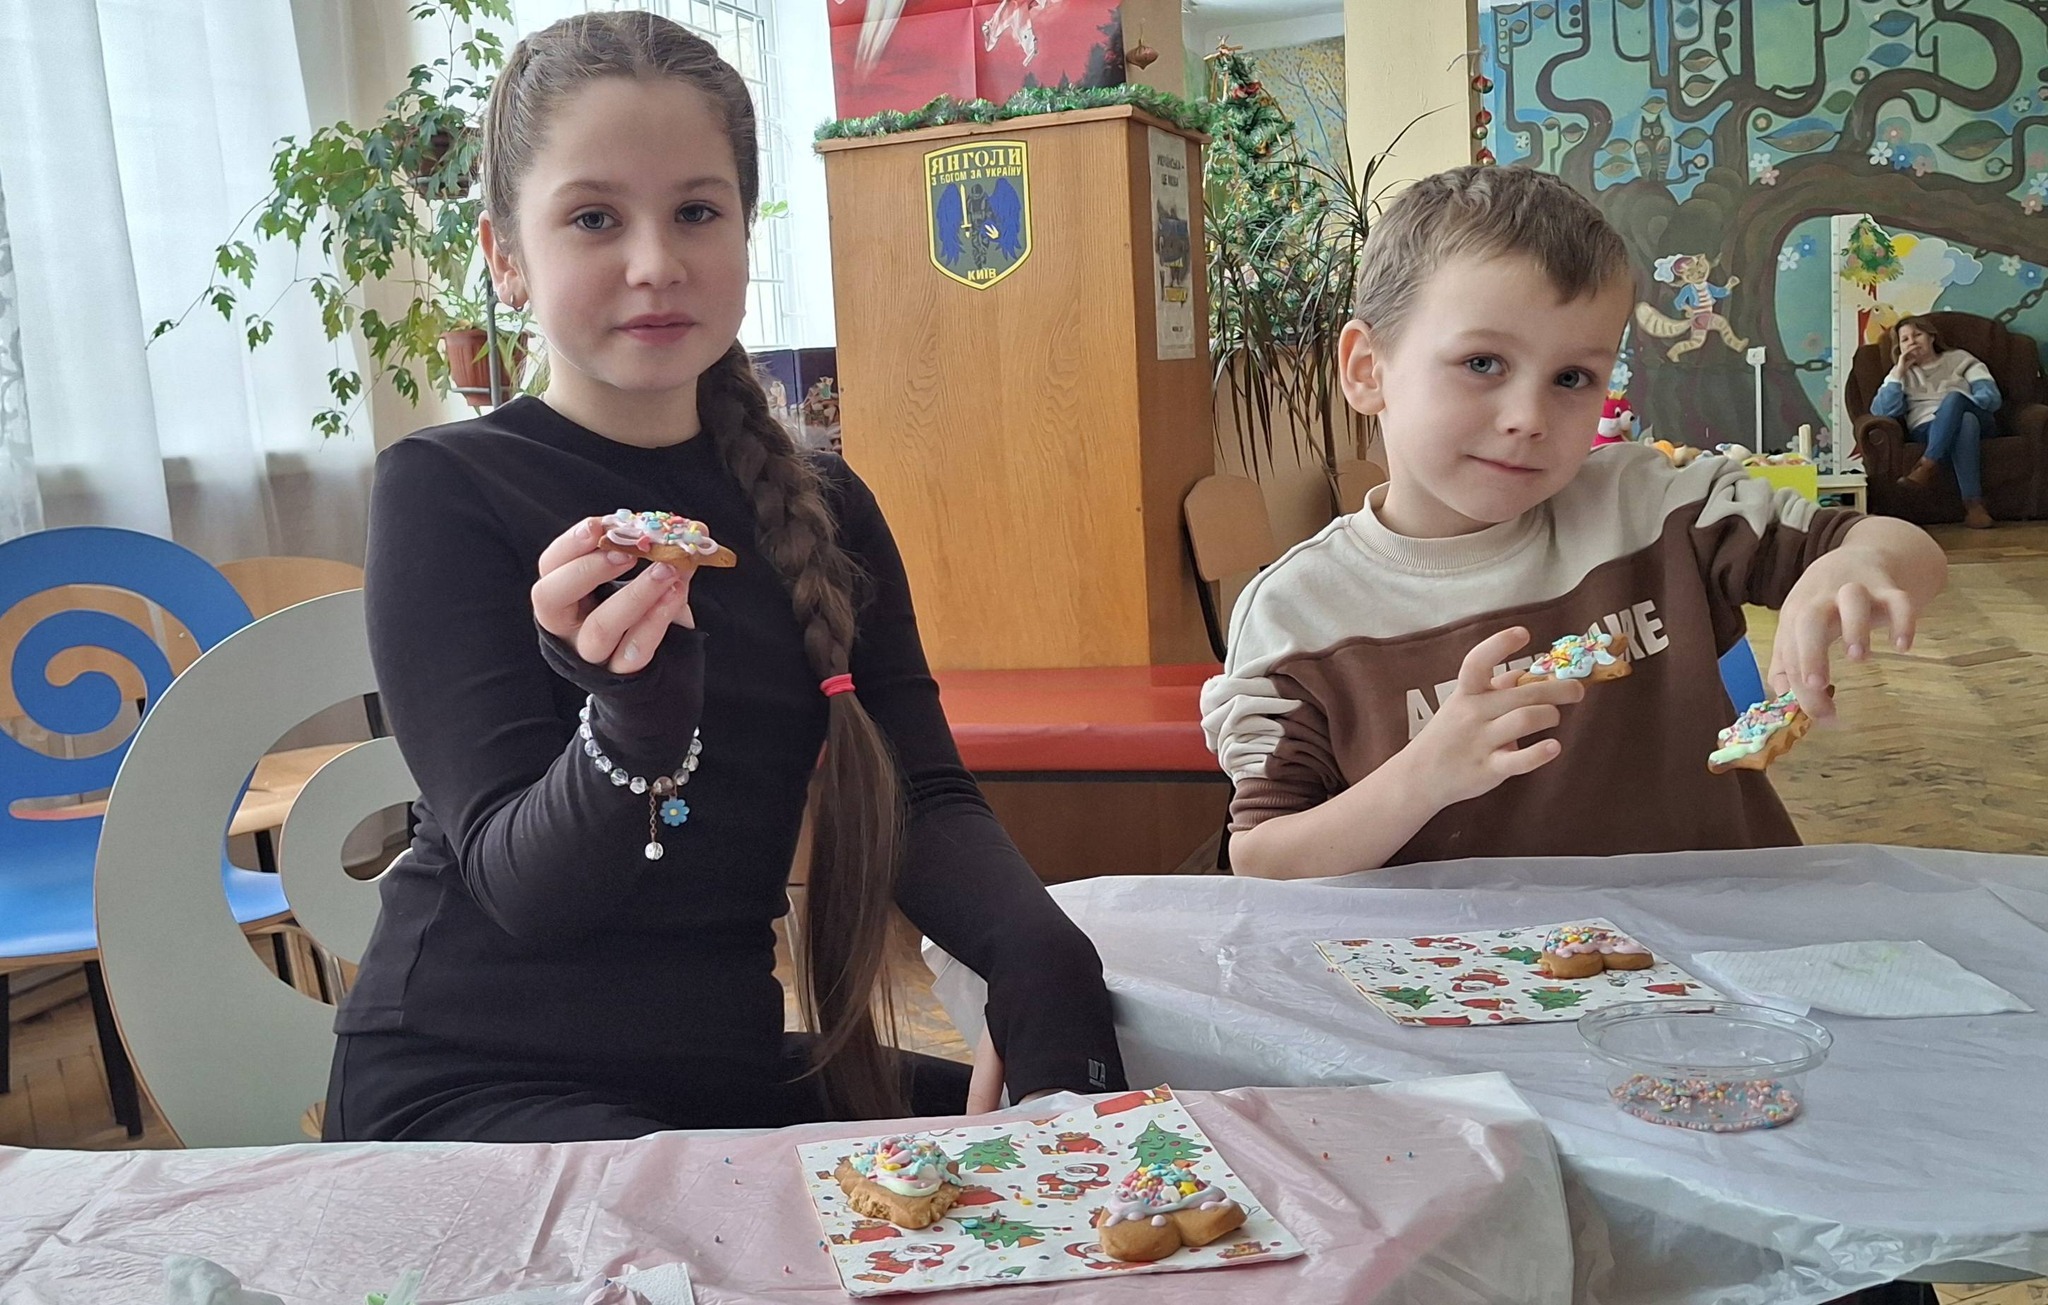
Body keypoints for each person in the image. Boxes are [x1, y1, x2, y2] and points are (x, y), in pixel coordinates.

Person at [324, 12, 1123, 1143]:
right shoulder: (446, 489)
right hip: (475, 1080)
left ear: (746, 229)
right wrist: (633, 724)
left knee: (1105, 1139)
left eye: (697, 211)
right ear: (505, 255)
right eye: (594, 218)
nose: (657, 262)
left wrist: (1037, 954)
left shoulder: (824, 503)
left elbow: (923, 797)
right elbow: (523, 893)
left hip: (719, 1073)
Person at [1201, 166, 1948, 880]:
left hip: (1716, 941)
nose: (1529, 417)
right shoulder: (1299, 615)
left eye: (1572, 378)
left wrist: (1854, 563)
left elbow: (1904, 550)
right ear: (1368, 369)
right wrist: (1424, 775)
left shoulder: (1653, 507)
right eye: (1483, 363)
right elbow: (1264, 856)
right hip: (1469, 963)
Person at [1872, 315, 2002, 529]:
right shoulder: (1901, 373)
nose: (1912, 341)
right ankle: (1974, 506)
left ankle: (1927, 465)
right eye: (1905, 339)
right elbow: (1882, 411)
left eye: (1918, 334)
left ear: (1931, 337)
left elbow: (1991, 397)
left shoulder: (1960, 359)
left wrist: (1956, 408)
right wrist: (1898, 373)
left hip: (1979, 416)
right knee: (1966, 422)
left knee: (1956, 401)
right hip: (1928, 428)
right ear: (1900, 347)